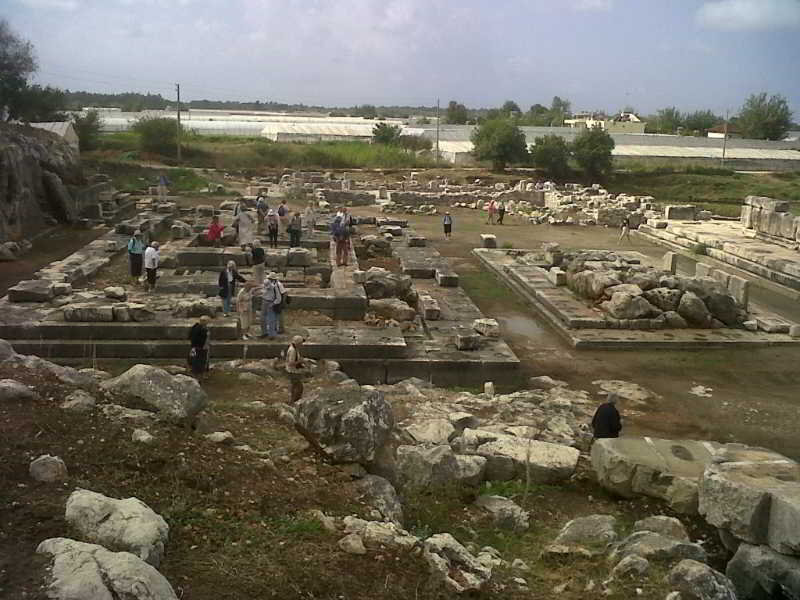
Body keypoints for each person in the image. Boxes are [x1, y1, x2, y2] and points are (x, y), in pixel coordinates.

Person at [260, 272, 282, 338]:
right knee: (262, 318)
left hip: (271, 302)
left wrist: (273, 303)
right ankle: (264, 332)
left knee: (271, 319)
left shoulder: (275, 287)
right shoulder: (265, 284)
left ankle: (272, 334)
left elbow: (279, 298)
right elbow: (263, 291)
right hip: (264, 301)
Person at [285, 335, 307, 403]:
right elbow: (291, 363)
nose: (302, 345)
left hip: (291, 370)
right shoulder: (292, 351)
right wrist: (300, 361)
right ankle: (295, 401)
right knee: (299, 387)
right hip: (293, 371)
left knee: (294, 386)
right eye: (301, 343)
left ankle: (292, 400)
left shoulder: (294, 349)